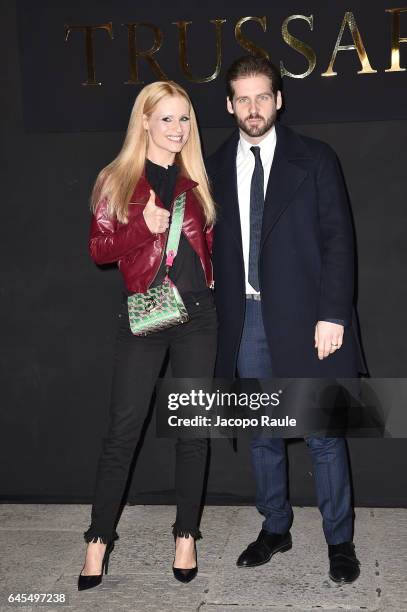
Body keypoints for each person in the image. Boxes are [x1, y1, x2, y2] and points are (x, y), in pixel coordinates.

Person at [206, 55, 366, 584]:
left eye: (262, 97)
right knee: (262, 434)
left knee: (322, 433)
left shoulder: (316, 158)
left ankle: (339, 541)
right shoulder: (213, 163)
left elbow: (339, 241)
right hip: (246, 320)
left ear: (279, 99)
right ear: (229, 104)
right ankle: (276, 527)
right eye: (242, 99)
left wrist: (332, 314)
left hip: (310, 320)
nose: (253, 108)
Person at [78, 81, 217, 590]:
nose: (178, 129)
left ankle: (186, 535)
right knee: (123, 431)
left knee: (193, 429)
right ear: (144, 121)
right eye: (167, 119)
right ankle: (98, 539)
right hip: (144, 315)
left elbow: (209, 241)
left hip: (199, 316)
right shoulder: (117, 178)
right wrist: (144, 226)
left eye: (184, 119)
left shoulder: (196, 179)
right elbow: (99, 249)